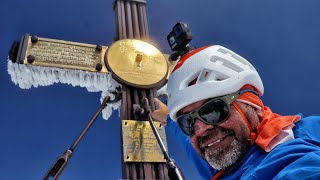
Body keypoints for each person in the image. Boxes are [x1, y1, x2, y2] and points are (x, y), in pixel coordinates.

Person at [152, 45, 320, 179]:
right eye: (188, 122)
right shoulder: (228, 156)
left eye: (213, 110)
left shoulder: (287, 154)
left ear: (253, 106)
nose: (201, 129)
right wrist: (168, 116)